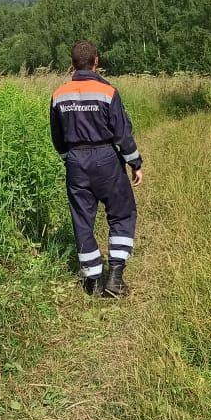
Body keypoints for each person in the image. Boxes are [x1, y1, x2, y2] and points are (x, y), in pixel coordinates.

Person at [49, 41, 143, 297]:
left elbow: (57, 138)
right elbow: (122, 133)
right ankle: (115, 278)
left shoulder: (59, 94)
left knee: (82, 220)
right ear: (96, 61)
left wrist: (70, 157)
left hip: (76, 162)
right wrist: (135, 162)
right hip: (107, 159)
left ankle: (92, 280)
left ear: (72, 63)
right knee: (122, 214)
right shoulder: (108, 92)